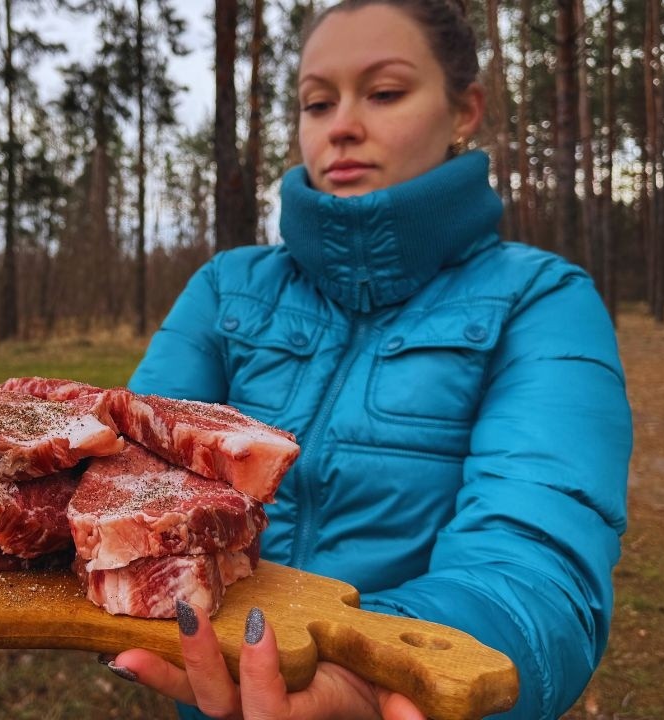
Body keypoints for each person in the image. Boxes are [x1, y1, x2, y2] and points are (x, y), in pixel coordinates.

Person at [100, 0, 633, 718]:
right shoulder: (227, 287)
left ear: (464, 110)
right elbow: (126, 488)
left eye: (384, 93)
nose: (342, 125)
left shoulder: (540, 301)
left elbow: (536, 567)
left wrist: (368, 669)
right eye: (317, 103)